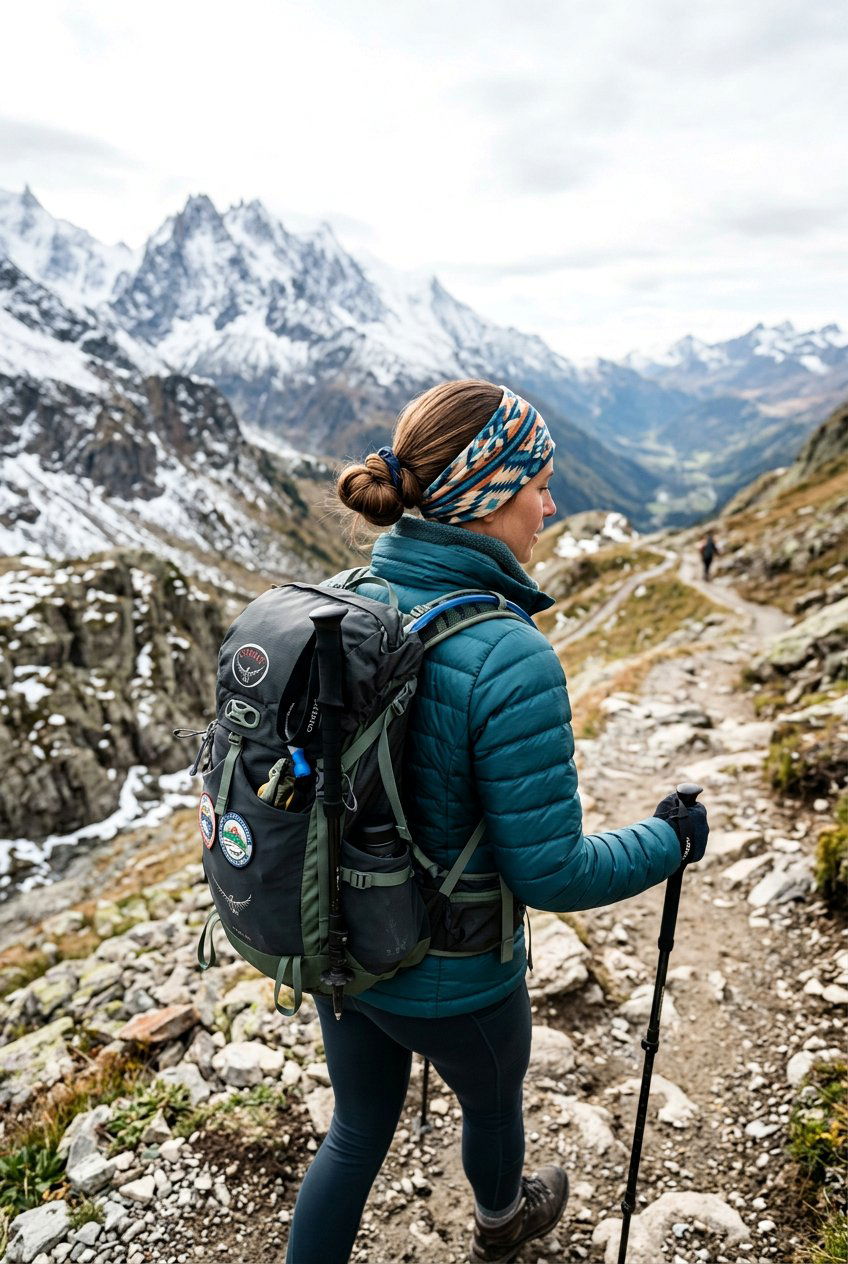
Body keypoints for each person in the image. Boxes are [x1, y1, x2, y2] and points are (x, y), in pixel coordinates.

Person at [285, 379, 709, 1264]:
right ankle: (501, 1220)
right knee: (492, 1104)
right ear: (485, 494)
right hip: (453, 974)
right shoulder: (510, 656)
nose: (552, 506)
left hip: (337, 938)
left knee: (356, 1134)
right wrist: (670, 840)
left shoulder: (346, 601)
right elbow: (551, 871)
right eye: (540, 484)